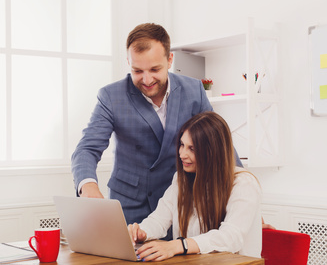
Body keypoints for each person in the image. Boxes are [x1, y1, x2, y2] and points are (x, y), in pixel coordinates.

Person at [71, 23, 243, 226]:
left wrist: (244, 202)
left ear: (170, 60)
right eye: (137, 70)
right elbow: (87, 149)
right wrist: (88, 186)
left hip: (181, 204)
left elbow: (220, 145)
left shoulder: (194, 90)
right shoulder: (111, 96)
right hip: (129, 207)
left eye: (154, 69)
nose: (146, 79)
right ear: (128, 62)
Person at [127, 111, 262, 261]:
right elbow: (159, 219)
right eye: (182, 145)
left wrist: (179, 245)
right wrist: (142, 231)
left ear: (213, 152)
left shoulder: (243, 183)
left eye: (192, 149)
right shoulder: (181, 179)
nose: (182, 154)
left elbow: (230, 237)